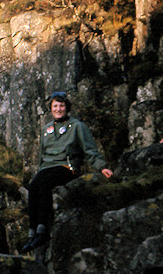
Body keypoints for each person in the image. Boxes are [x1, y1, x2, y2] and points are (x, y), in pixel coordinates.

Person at [21, 91, 113, 253]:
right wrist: (40, 170)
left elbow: (89, 149)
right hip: (47, 167)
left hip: (66, 166)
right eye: (55, 106)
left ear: (67, 107)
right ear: (51, 109)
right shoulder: (46, 129)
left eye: (61, 105)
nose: (58, 109)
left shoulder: (77, 126)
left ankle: (42, 231)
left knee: (45, 185)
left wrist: (102, 167)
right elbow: (42, 155)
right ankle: (32, 234)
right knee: (34, 186)